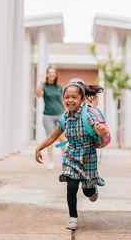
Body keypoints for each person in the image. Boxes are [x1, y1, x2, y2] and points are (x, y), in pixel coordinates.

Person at [35, 81, 107, 230]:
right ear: (63, 98)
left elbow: (101, 131)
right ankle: (73, 217)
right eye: (67, 97)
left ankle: (92, 189)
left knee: (88, 192)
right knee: (71, 187)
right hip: (72, 156)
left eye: (74, 97)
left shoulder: (87, 116)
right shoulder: (64, 119)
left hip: (88, 156)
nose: (70, 100)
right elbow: (52, 137)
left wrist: (102, 131)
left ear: (81, 100)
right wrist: (39, 148)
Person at [35, 66, 66, 170]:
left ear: (56, 74)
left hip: (60, 115)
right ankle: (51, 162)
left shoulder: (59, 86)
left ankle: (65, 161)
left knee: (62, 139)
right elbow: (38, 95)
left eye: (53, 72)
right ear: (47, 74)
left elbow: (63, 100)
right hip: (48, 116)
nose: (52, 74)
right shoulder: (44, 86)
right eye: (50, 73)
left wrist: (68, 111)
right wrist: (41, 83)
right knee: (50, 140)